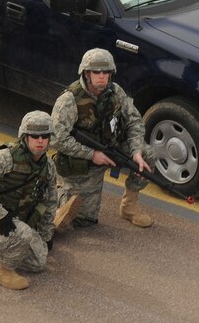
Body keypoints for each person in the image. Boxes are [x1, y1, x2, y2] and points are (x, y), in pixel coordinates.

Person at [50, 48, 157, 231]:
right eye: (96, 72)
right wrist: (92, 154)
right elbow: (57, 139)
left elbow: (135, 122)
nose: (101, 76)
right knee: (82, 220)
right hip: (83, 159)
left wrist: (136, 152)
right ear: (86, 73)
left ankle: (129, 207)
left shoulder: (116, 92)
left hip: (113, 147)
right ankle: (60, 190)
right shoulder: (69, 100)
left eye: (105, 72)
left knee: (147, 155)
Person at [0, 111, 57, 290]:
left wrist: (46, 235)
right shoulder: (5, 158)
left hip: (18, 220)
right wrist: (0, 214)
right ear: (24, 137)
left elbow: (50, 202)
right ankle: (1, 270)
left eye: (45, 136)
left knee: (38, 263)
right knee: (22, 235)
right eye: (35, 136)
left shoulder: (48, 167)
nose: (40, 140)